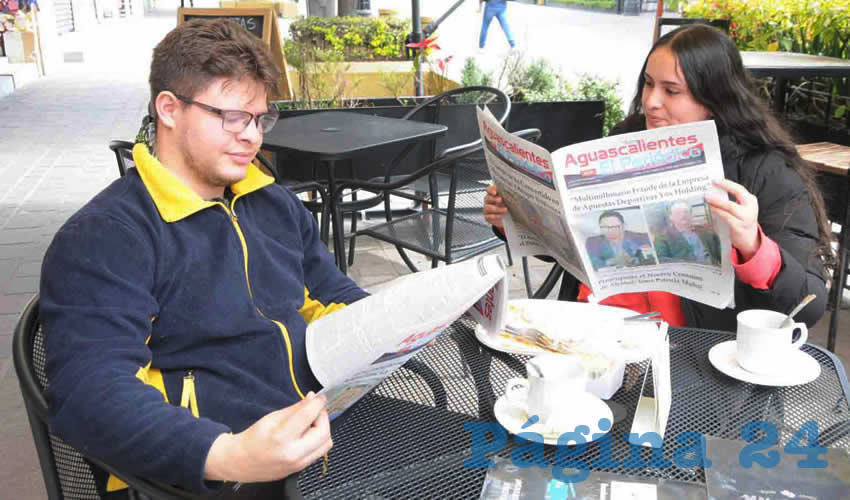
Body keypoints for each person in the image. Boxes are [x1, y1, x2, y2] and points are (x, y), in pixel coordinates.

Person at [39, 19, 368, 498]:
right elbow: (89, 392)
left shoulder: (272, 203)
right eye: (233, 117)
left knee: (482, 455)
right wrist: (230, 454)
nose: (252, 137)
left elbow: (331, 293)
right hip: (202, 472)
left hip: (315, 429)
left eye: (260, 119)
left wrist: (402, 318)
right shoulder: (107, 236)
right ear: (169, 110)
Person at [483, 24, 832, 331]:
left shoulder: (764, 170)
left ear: (714, 98)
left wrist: (754, 248)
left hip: (688, 359)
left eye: (671, 90)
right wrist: (515, 218)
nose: (651, 101)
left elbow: (809, 305)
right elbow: (575, 251)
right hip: (590, 331)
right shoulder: (625, 139)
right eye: (648, 84)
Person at [654, 200, 721, 265]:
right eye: (678, 213)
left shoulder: (706, 231)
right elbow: (661, 260)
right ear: (671, 217)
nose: (683, 215)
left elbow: (721, 253)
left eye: (686, 212)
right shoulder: (662, 238)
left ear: (691, 215)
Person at [585, 210, 652, 270]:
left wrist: (634, 260)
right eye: (605, 227)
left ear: (623, 226)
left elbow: (652, 259)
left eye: (615, 226)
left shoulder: (642, 238)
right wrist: (611, 262)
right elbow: (590, 264)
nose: (610, 230)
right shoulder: (592, 242)